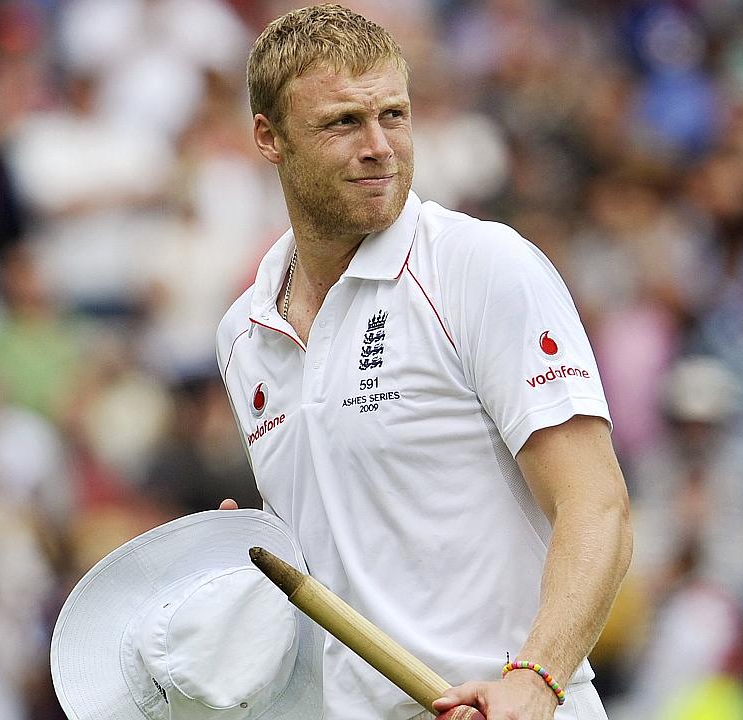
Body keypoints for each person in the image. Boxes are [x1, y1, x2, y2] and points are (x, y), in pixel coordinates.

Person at [213, 5, 632, 720]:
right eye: (344, 122)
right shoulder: (242, 333)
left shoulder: (480, 265)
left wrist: (533, 681)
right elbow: (346, 551)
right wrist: (249, 560)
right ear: (268, 137)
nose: (380, 146)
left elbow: (598, 508)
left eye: (395, 116)